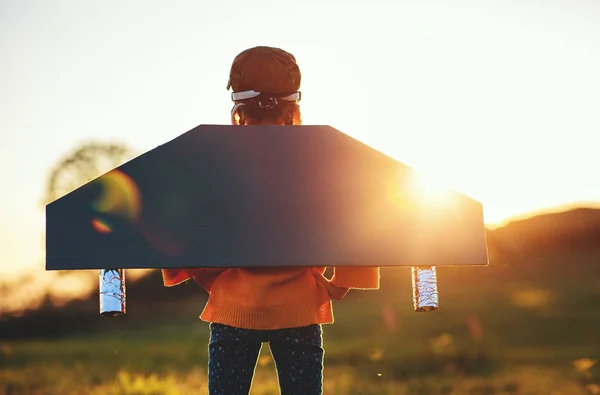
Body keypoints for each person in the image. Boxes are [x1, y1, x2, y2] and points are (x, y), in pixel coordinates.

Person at [162, 46, 380, 395]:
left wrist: (214, 280)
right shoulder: (323, 158)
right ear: (293, 106)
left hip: (233, 310)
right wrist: (339, 282)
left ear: (238, 108)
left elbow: (179, 226)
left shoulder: (213, 159)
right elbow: (362, 215)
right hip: (301, 310)